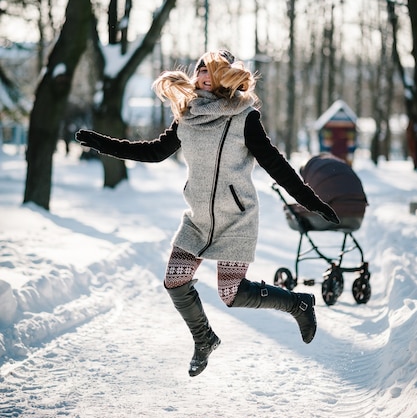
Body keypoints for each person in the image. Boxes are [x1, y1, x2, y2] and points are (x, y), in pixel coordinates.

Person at [76, 50, 339, 377]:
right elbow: (154, 151)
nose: (202, 75)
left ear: (224, 78)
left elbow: (275, 165)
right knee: (175, 280)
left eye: (211, 71)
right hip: (198, 219)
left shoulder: (244, 117)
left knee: (231, 294)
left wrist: (311, 201)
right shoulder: (187, 116)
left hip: (236, 219)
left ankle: (298, 304)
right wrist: (100, 143)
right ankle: (204, 339)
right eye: (200, 69)